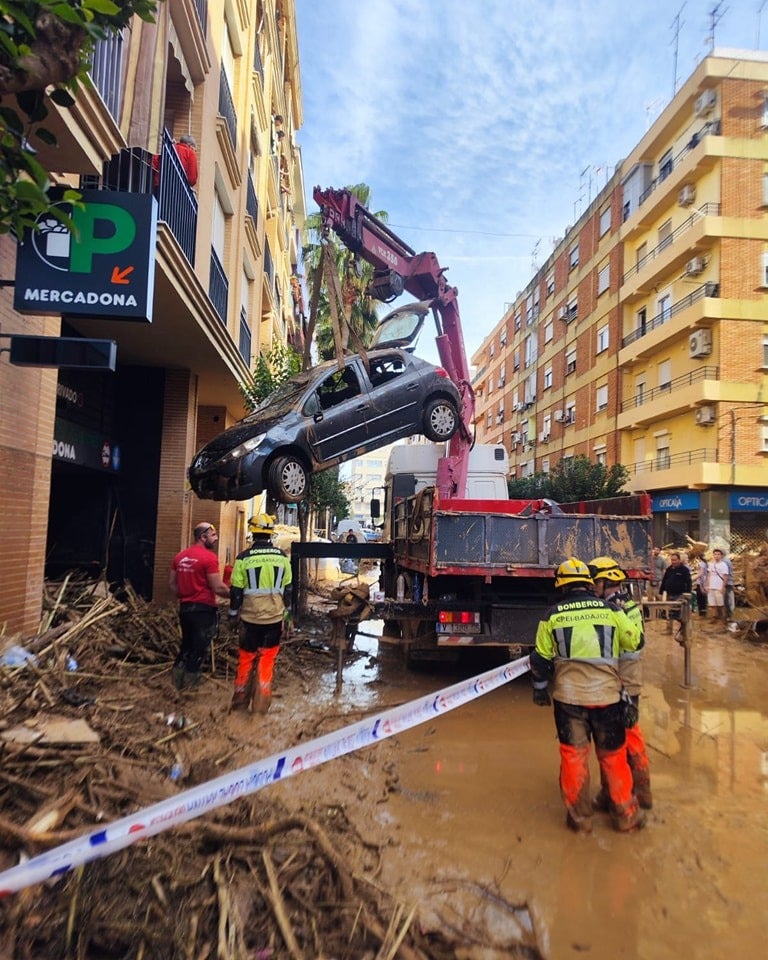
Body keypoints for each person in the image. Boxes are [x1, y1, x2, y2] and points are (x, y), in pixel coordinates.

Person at [530, 557, 645, 834]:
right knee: (614, 756)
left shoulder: (552, 615)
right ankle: (625, 815)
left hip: (569, 700)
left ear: (562, 586)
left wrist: (540, 689)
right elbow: (635, 642)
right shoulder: (611, 610)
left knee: (573, 756)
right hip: (608, 697)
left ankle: (580, 820)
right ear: (589, 583)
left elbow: (540, 659)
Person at [588, 556, 653, 811]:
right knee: (632, 734)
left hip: (619, 679)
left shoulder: (611, 608)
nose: (593, 586)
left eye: (595, 582)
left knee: (612, 741)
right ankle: (643, 791)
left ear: (605, 581)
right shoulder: (628, 603)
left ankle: (613, 795)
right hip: (631, 679)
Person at [228, 514, 293, 714]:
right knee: (267, 661)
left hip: (249, 619)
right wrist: (288, 618)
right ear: (270, 533)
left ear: (253, 533)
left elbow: (236, 592)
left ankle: (239, 705)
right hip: (274, 619)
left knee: (246, 659)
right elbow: (289, 590)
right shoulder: (282, 558)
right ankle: (261, 706)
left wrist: (232, 615)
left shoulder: (243, 558)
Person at [169, 522, 230, 690]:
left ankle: (175, 685)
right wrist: (237, 596)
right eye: (213, 535)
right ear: (203, 537)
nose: (216, 539)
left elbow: (172, 585)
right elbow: (217, 587)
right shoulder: (209, 558)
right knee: (199, 648)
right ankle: (190, 687)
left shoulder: (180, 557)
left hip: (185, 609)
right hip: (203, 610)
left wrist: (185, 596)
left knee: (186, 646)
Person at [658, 551, 692, 633]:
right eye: (672, 560)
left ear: (679, 560)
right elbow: (664, 580)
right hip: (669, 594)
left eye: (675, 560)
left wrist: (687, 594)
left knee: (679, 613)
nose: (673, 562)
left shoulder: (684, 570)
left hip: (680, 595)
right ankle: (669, 629)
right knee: (669, 612)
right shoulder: (669, 569)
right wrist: (661, 592)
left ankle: (684, 630)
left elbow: (689, 582)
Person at [706, 548, 731, 624]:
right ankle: (714, 617)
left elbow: (725, 576)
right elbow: (709, 575)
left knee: (721, 603)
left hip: (719, 586)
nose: (717, 556)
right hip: (711, 586)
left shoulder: (723, 565)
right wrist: (707, 585)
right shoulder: (711, 564)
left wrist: (723, 587)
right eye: (715, 554)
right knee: (712, 603)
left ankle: (724, 617)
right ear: (713, 555)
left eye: (718, 554)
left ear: (721, 556)